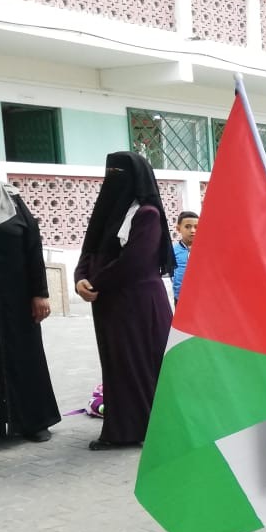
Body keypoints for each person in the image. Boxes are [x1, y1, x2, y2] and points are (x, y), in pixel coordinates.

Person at [74, 151, 174, 450]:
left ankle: (147, 429)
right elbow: (89, 248)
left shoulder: (146, 214)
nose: (112, 179)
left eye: (119, 173)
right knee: (117, 366)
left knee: (138, 364)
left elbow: (135, 262)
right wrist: (80, 278)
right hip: (110, 303)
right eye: (110, 172)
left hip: (138, 304)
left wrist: (95, 282)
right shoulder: (108, 212)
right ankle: (122, 429)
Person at [0, 138, 60, 442]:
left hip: (17, 298)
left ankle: (33, 421)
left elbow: (33, 247)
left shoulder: (13, 199)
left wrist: (39, 293)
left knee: (25, 355)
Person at [171, 210, 197, 304]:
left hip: (200, 297)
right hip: (180, 298)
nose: (193, 230)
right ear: (178, 229)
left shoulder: (204, 250)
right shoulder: (173, 251)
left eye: (196, 227)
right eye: (187, 227)